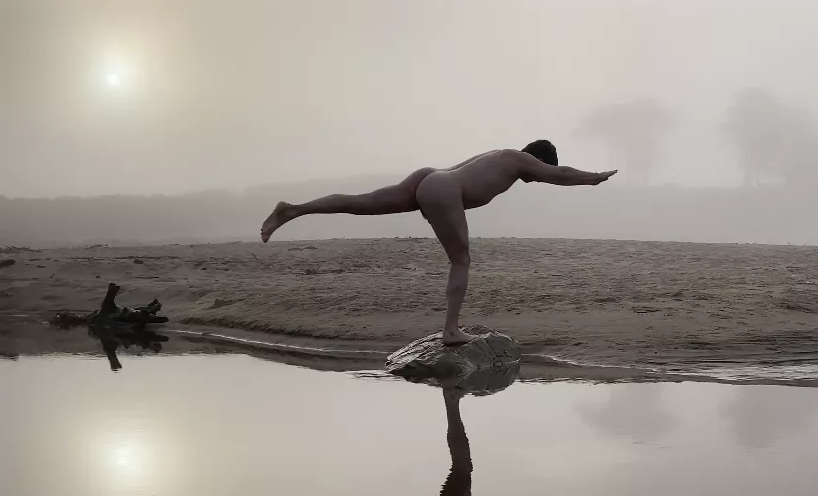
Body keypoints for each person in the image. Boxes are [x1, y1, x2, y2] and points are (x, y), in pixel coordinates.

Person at [259, 140, 616, 344]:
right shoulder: (523, 161)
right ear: (538, 159)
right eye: (539, 173)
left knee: (360, 203)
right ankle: (450, 331)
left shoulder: (499, 155)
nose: (536, 179)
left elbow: (455, 176)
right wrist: (594, 178)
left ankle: (293, 211)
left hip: (431, 178)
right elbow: (561, 174)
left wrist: (432, 201)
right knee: (461, 260)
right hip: (444, 188)